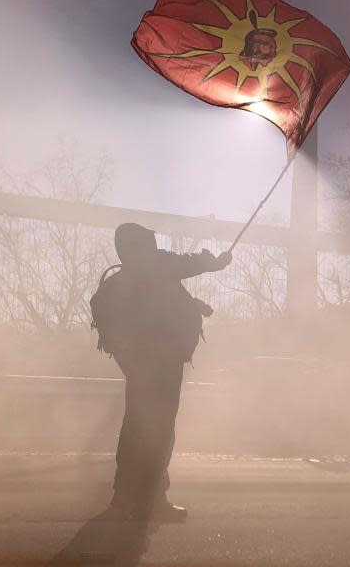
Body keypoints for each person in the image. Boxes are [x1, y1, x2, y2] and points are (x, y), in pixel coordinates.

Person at [91, 223, 232, 521]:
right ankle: (153, 501)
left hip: (138, 366)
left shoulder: (129, 279)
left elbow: (152, 308)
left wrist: (193, 304)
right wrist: (216, 262)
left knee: (135, 427)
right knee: (160, 431)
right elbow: (186, 263)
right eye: (150, 243)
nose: (156, 248)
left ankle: (124, 498)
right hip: (162, 364)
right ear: (140, 247)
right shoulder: (154, 265)